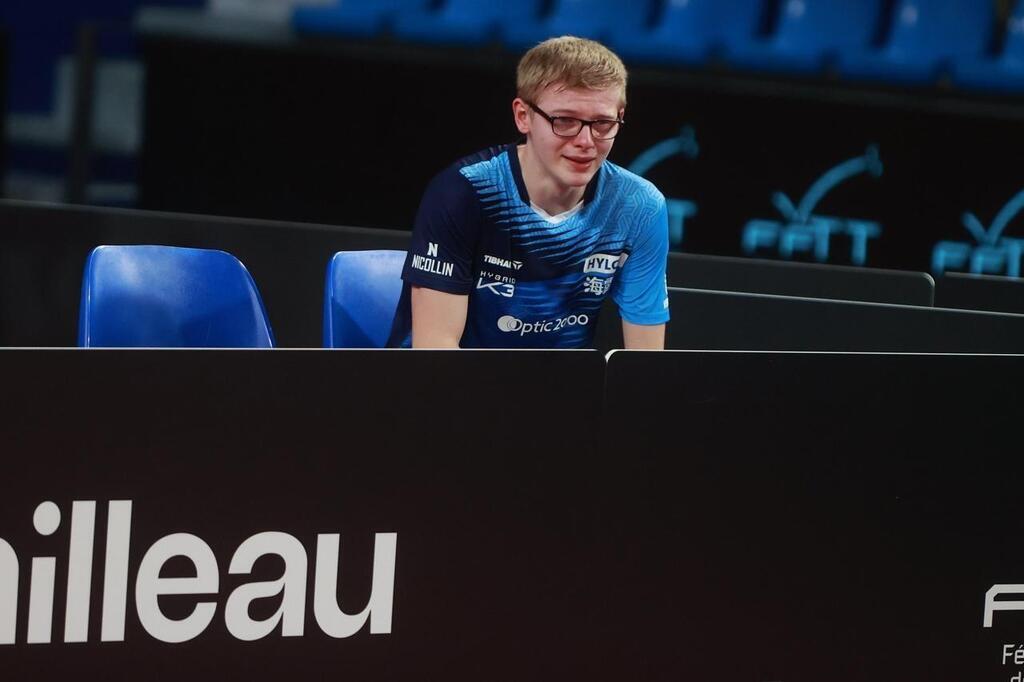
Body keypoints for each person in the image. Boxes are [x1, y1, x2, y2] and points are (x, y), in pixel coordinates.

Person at [387, 36, 669, 349]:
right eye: (565, 120)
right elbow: (435, 353)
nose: (587, 141)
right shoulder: (466, 190)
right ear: (523, 116)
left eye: (602, 123)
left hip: (560, 393)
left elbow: (645, 364)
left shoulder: (639, 205)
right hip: (449, 389)